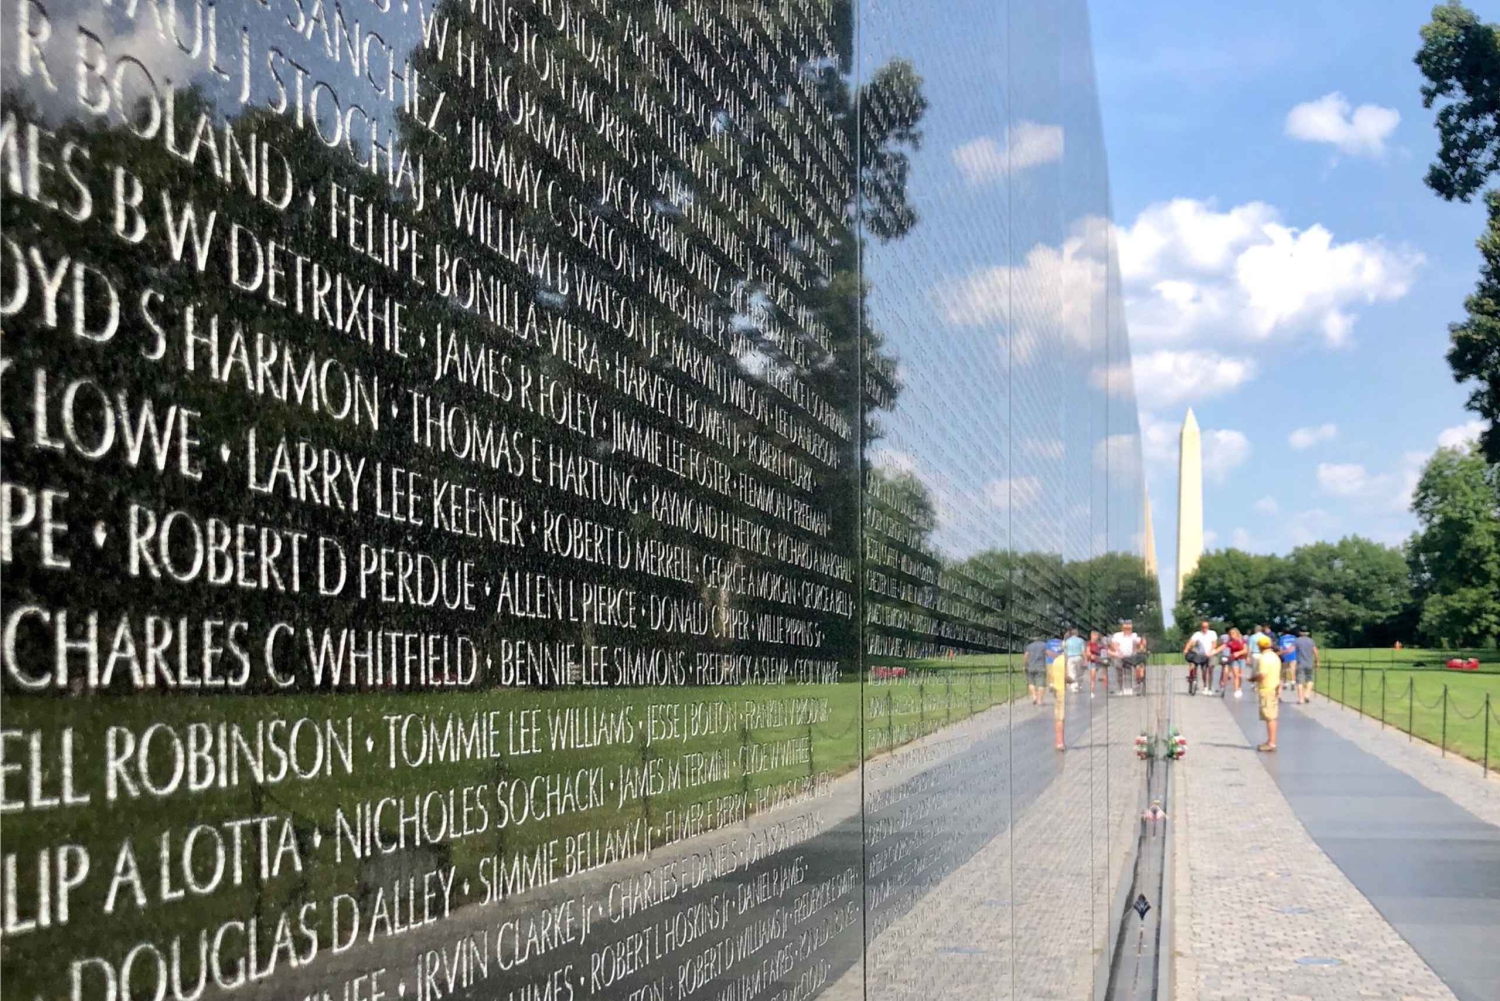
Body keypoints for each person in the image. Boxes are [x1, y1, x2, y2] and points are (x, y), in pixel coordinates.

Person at [1248, 635, 1281, 751]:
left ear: (1260, 646)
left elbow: (1262, 674)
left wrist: (1253, 678)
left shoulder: (1264, 658)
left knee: (1270, 716)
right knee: (1271, 715)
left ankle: (1272, 743)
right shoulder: (1274, 656)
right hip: (1274, 687)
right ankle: (1270, 740)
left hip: (1267, 688)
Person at [1182, 620, 1218, 695]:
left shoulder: (1212, 633)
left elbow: (1214, 644)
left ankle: (1210, 688)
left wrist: (1210, 651)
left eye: (1206, 627)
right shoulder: (1198, 634)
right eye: (1203, 627)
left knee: (1210, 669)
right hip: (1201, 654)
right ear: (1201, 627)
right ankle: (1205, 686)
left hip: (1210, 653)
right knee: (1204, 670)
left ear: (1208, 627)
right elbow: (1191, 641)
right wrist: (1186, 649)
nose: (1205, 628)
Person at [1110, 620, 1145, 695]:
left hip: (1130, 657)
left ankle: (1131, 688)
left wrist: (1141, 645)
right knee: (1118, 670)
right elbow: (1114, 644)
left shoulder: (1134, 635)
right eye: (1126, 627)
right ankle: (1120, 689)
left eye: (1129, 628)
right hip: (1120, 656)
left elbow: (1139, 643)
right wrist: (1118, 651)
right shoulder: (1117, 635)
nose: (1128, 630)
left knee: (1131, 670)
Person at [1047, 637, 1069, 750]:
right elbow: (1067, 676)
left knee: (1057, 717)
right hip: (1062, 690)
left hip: (1056, 689)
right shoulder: (1065, 660)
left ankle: (1058, 741)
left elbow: (1050, 676)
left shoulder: (1055, 661)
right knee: (1061, 717)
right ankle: (1061, 742)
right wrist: (1071, 680)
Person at [1294, 629, 1319, 704]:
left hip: (1300, 663)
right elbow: (1315, 651)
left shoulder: (1297, 641)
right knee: (1310, 679)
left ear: (1300, 633)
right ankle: (1307, 695)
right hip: (1309, 663)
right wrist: (1317, 662)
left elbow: (1291, 650)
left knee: (1299, 681)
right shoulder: (1311, 641)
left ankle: (1301, 699)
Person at [1223, 627, 1248, 699]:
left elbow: (1245, 650)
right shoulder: (1230, 641)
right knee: (1236, 675)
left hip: (1242, 659)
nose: (1231, 635)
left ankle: (1239, 687)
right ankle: (1236, 690)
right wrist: (1213, 652)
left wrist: (1238, 653)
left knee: (1240, 675)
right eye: (1230, 634)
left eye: (1233, 633)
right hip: (1234, 659)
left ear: (1236, 634)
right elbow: (1223, 646)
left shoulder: (1242, 640)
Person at [1024, 637, 1048, 705]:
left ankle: (1034, 697)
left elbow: (1026, 656)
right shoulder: (1044, 645)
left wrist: (1024, 665)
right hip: (1041, 666)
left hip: (1030, 667)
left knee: (1031, 683)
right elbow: (1047, 654)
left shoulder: (1029, 646)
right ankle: (1039, 700)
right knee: (1041, 684)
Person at [1278, 630, 1298, 699]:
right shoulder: (1294, 637)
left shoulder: (1282, 638)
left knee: (1284, 670)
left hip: (1285, 655)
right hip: (1293, 655)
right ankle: (1293, 682)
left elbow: (1280, 648)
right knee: (1293, 669)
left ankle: (1284, 682)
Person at [1064, 629, 1085, 693]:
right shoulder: (1081, 640)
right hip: (1079, 657)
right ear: (1077, 633)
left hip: (1070, 658)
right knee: (1079, 673)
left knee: (1072, 673)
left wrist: (1065, 660)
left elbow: (1065, 652)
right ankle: (1079, 684)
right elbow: (1083, 651)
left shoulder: (1067, 641)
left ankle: (1074, 687)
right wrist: (1085, 659)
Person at [1086, 630, 1105, 697]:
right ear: (1091, 636)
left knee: (1102, 675)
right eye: (1093, 635)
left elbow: (1104, 654)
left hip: (1099, 661)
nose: (1095, 637)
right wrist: (1090, 656)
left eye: (1096, 635)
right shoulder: (1089, 643)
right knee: (1093, 677)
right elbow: (1088, 652)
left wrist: (1100, 658)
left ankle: (1104, 688)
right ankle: (1092, 692)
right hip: (1092, 662)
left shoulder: (1100, 644)